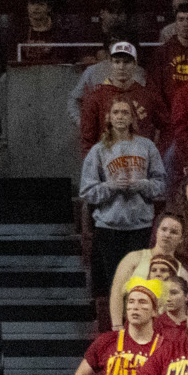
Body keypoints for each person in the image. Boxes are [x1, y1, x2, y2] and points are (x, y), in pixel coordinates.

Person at [80, 99, 168, 298]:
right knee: (115, 284)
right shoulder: (99, 150)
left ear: (132, 118)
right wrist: (110, 187)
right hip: (109, 228)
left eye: (125, 113)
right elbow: (87, 191)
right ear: (109, 118)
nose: (120, 117)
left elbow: (161, 184)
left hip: (140, 227)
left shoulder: (146, 146)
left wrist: (142, 185)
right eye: (116, 112)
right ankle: (116, 326)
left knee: (138, 282)